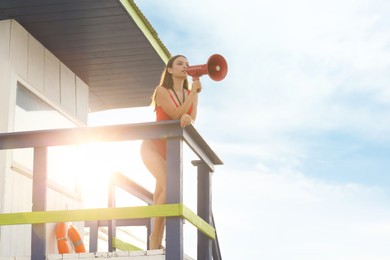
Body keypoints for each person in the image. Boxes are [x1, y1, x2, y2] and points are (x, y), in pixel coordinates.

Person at [140, 55, 202, 250]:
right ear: (169, 70)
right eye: (180, 63)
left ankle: (156, 240)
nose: (185, 66)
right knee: (170, 187)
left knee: (163, 194)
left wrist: (193, 95)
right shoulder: (161, 91)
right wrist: (193, 94)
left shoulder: (189, 92)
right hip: (152, 146)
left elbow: (191, 118)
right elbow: (175, 115)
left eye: (187, 64)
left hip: (170, 151)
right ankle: (155, 240)